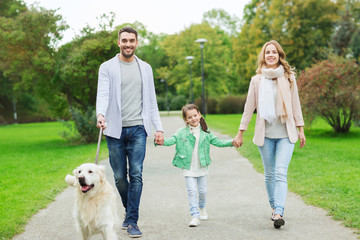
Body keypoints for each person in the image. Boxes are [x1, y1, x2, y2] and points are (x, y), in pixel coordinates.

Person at [96, 26, 164, 238]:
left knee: (136, 174)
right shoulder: (107, 67)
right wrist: (100, 114)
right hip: (114, 130)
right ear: (119, 42)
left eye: (131, 40)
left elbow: (152, 100)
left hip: (138, 130)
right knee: (119, 176)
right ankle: (129, 210)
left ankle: (132, 220)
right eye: (124, 40)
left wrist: (158, 128)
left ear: (136, 42)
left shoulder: (145, 68)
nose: (128, 44)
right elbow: (103, 94)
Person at [232, 40, 306, 229]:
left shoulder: (289, 77)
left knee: (281, 172)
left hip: (285, 134)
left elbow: (295, 103)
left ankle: (279, 211)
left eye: (274, 52)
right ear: (263, 57)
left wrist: (301, 128)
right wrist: (240, 133)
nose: (271, 55)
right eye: (267, 52)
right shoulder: (256, 80)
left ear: (279, 55)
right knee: (270, 174)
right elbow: (249, 108)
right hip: (265, 134)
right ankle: (274, 207)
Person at [157, 104, 235, 227]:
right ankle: (194, 216)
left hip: (202, 167)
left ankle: (202, 208)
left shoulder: (206, 132)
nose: (193, 118)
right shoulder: (181, 132)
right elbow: (171, 140)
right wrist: (161, 142)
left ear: (199, 115)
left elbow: (218, 142)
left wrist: (232, 142)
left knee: (203, 192)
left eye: (195, 115)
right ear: (186, 120)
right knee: (192, 191)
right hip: (188, 167)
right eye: (189, 117)